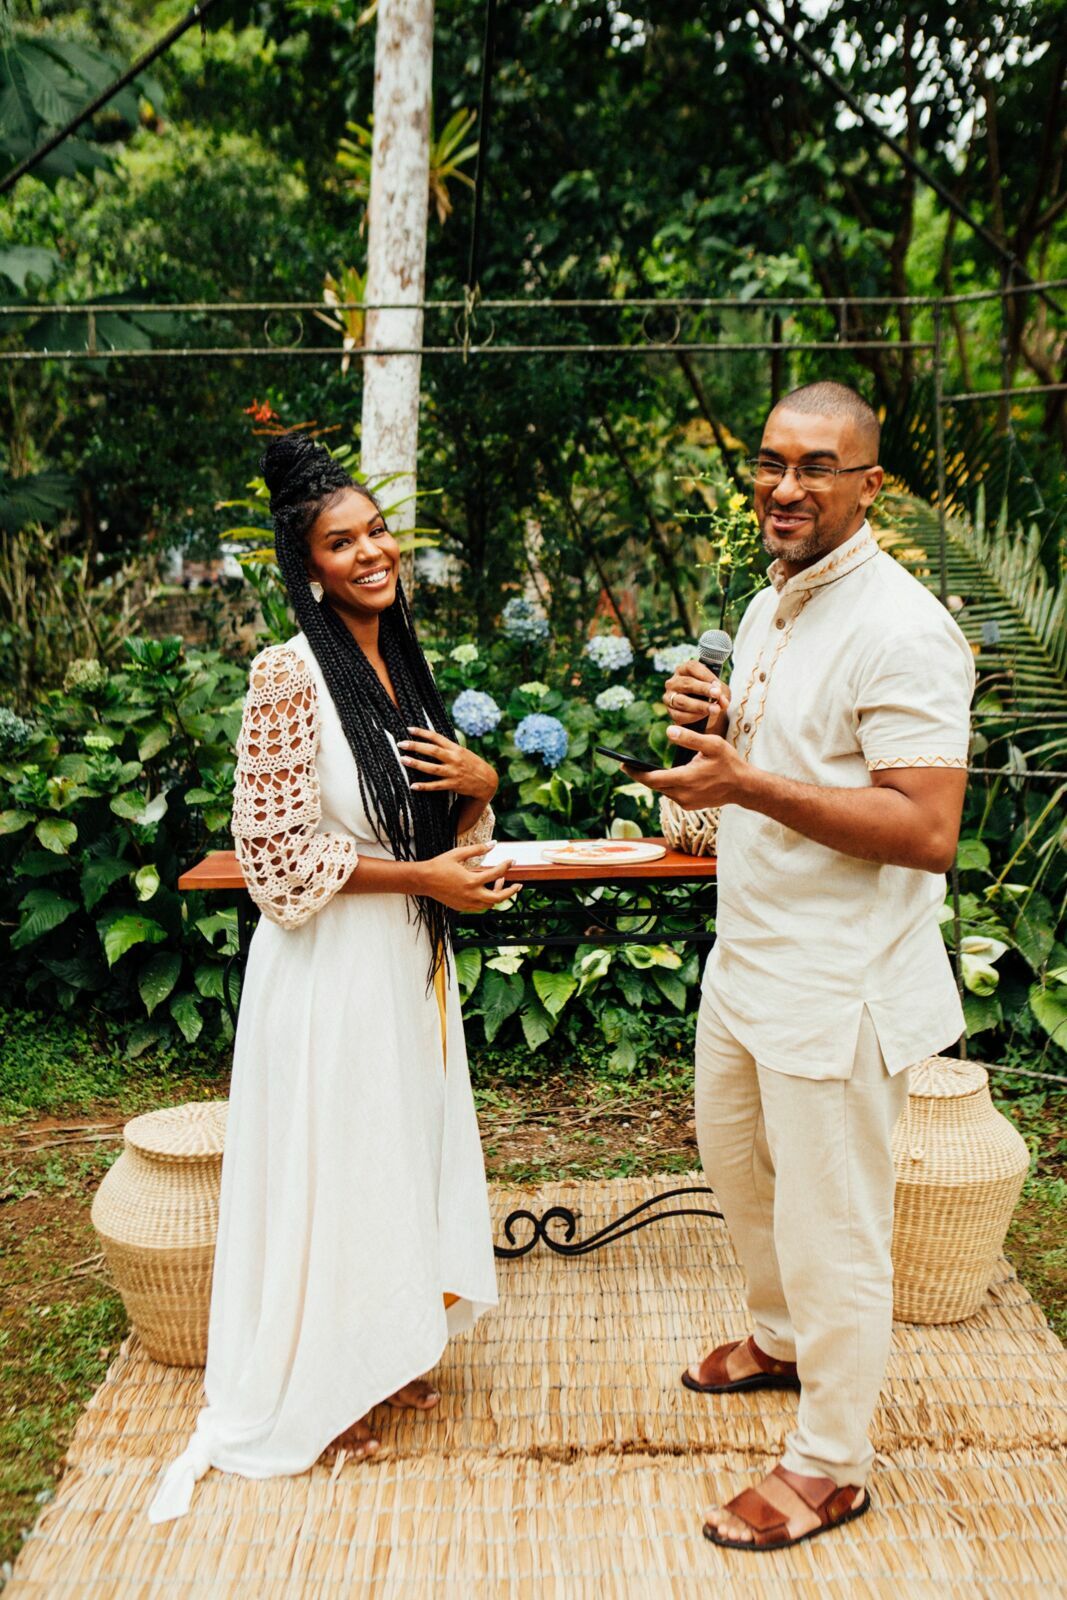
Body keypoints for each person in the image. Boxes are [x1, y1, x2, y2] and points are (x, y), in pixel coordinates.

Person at [149, 436, 517, 1522]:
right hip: (328, 969)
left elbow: (437, 829)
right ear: (307, 566)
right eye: (341, 542)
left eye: (377, 531)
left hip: (402, 959)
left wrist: (483, 781)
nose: (371, 553)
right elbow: (273, 858)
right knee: (337, 1161)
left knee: (391, 1153)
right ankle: (318, 1377)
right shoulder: (286, 674)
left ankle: (383, 1346)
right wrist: (423, 879)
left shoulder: (401, 664)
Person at [633, 381, 974, 1553]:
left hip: (837, 983)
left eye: (815, 466)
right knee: (739, 1174)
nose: (784, 487)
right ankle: (780, 1341)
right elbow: (790, 761)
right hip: (746, 961)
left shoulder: (902, 627)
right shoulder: (767, 602)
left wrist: (744, 782)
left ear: (867, 485)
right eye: (771, 462)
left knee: (834, 1229)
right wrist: (718, 729)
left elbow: (924, 827)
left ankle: (830, 1462)